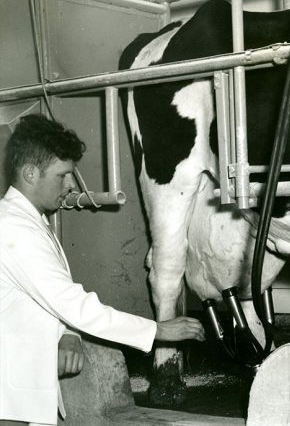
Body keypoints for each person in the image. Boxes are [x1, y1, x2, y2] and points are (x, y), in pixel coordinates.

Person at [0, 114, 205, 426]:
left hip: (18, 395)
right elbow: (70, 301)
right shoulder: (13, 227)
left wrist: (66, 333)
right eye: (62, 175)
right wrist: (158, 330)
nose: (71, 185)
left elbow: (36, 300)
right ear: (30, 173)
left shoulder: (28, 220)